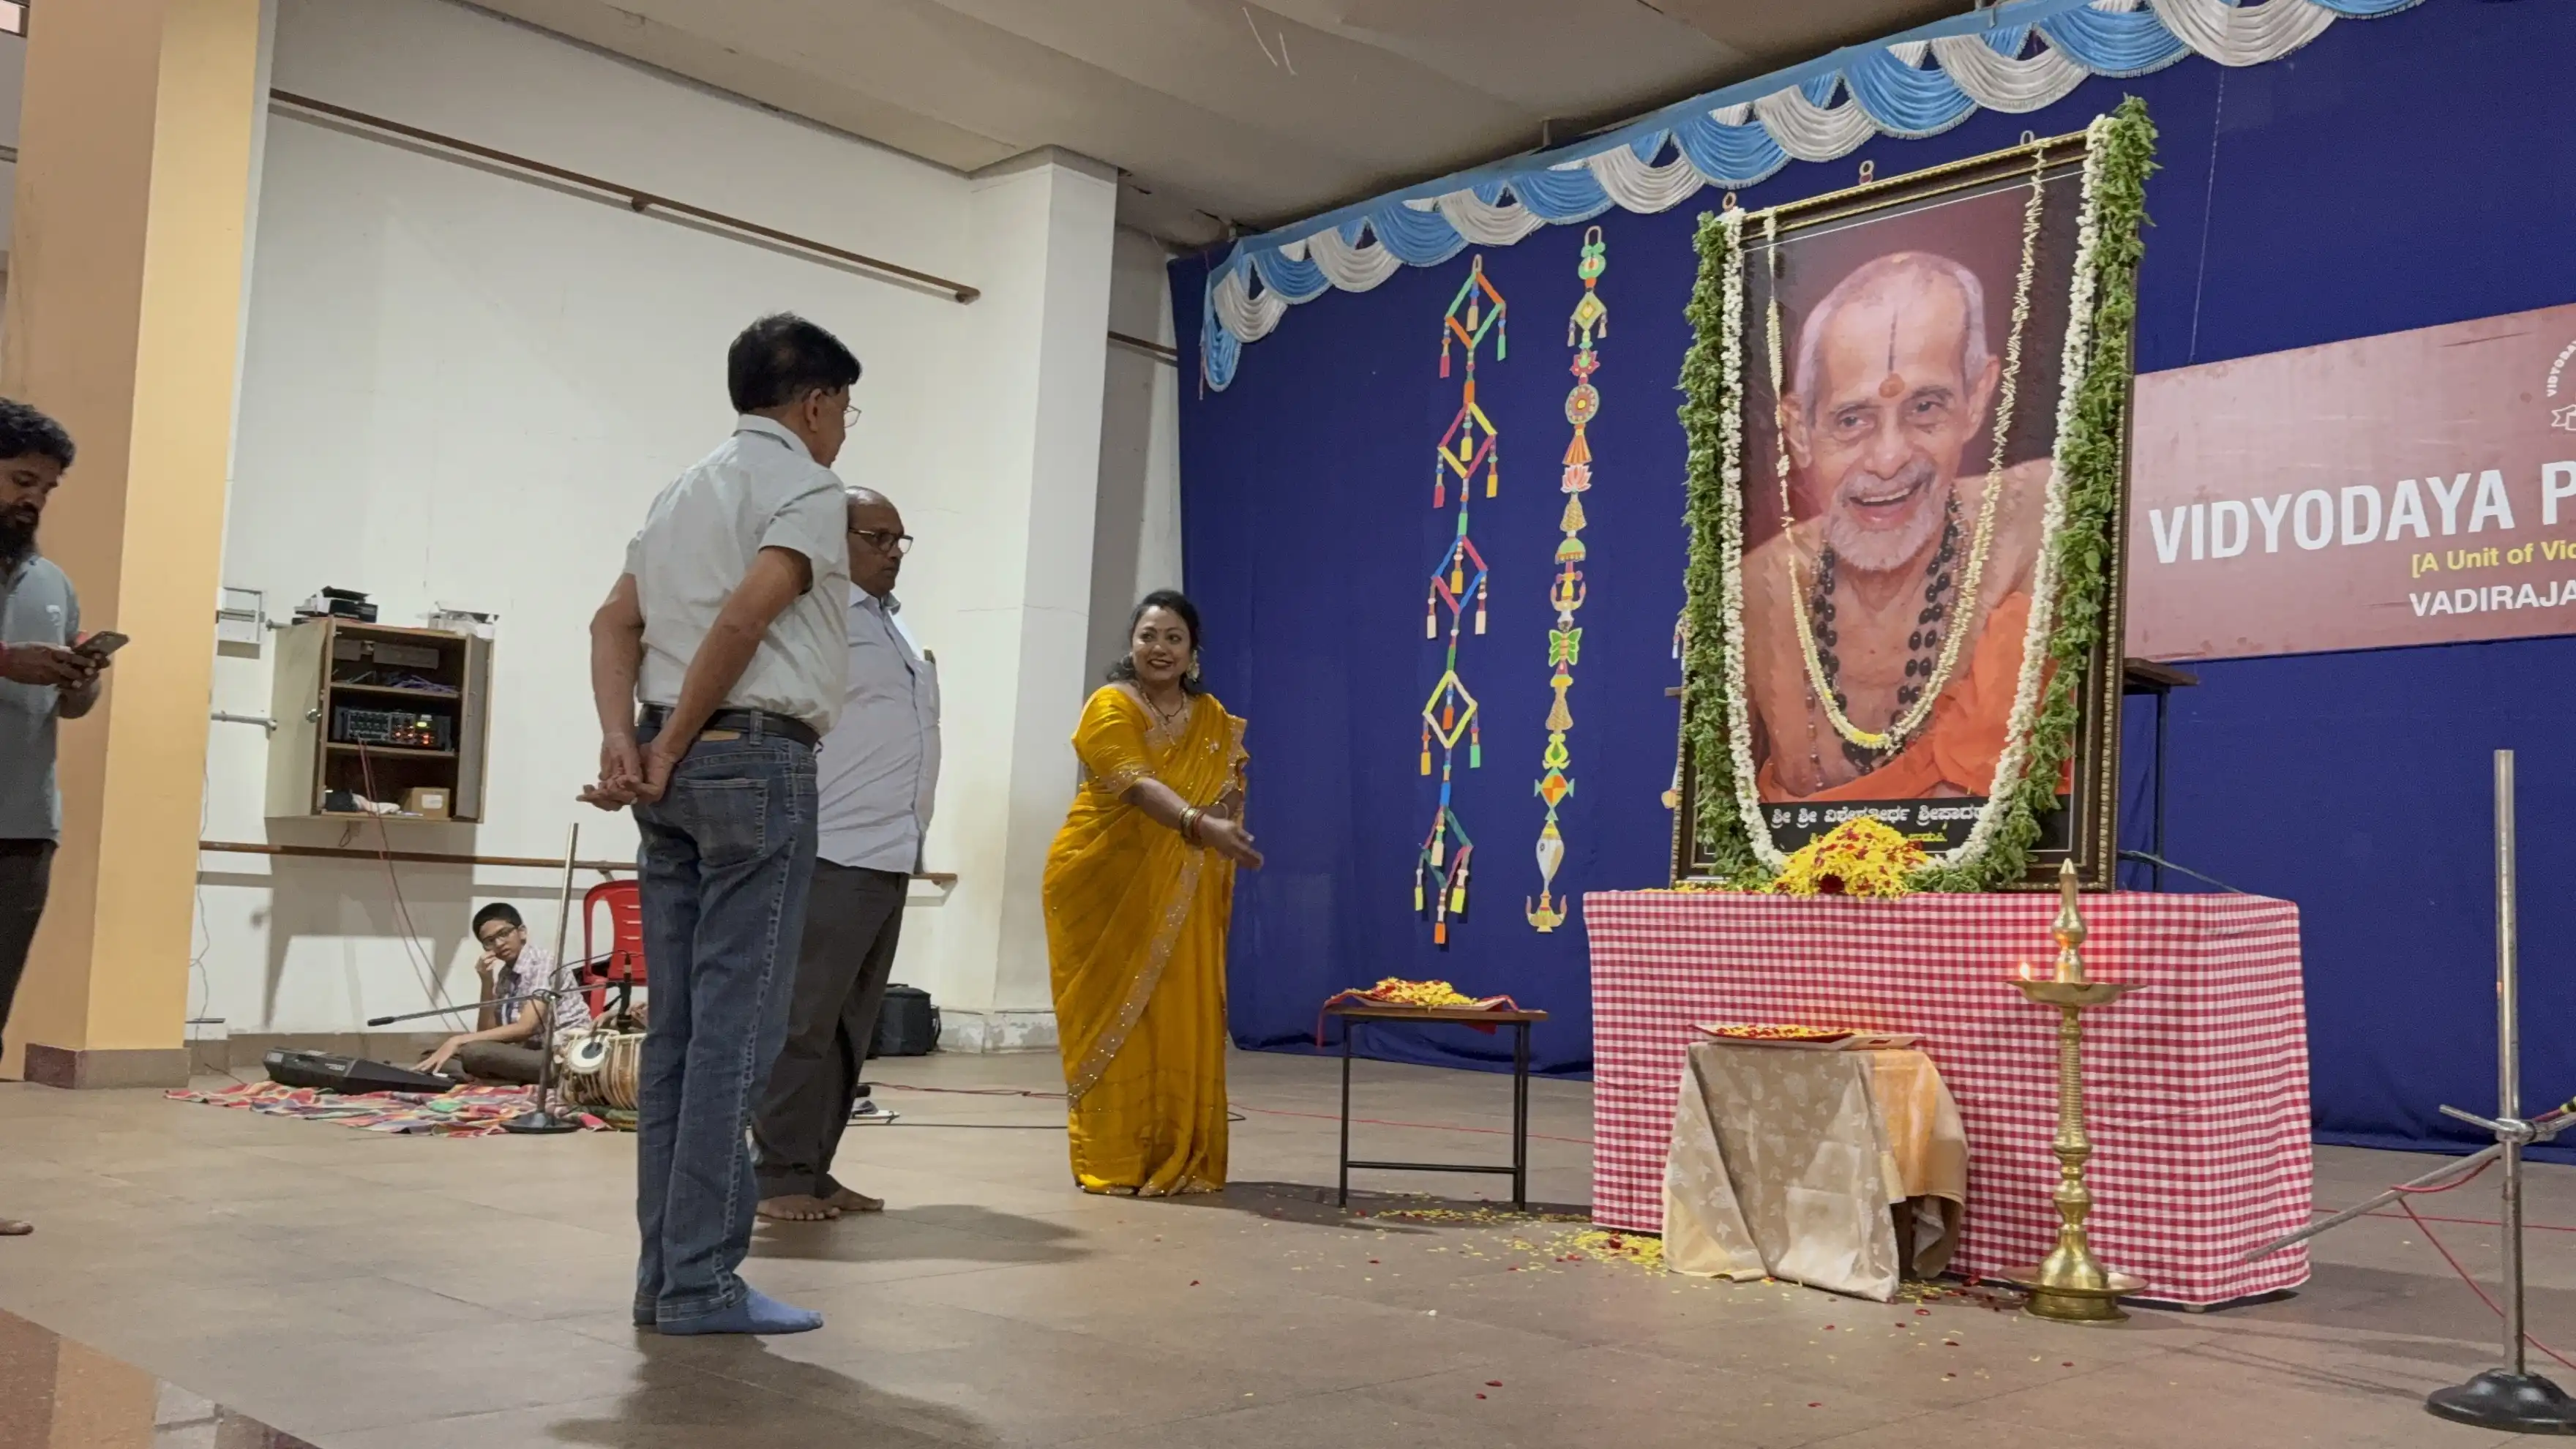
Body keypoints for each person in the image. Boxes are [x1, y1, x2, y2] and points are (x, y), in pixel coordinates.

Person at [581, 313, 857, 1336]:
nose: (842, 431)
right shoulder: (810, 488)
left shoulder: (681, 490)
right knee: (733, 1040)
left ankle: (666, 1279)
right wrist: (675, 741)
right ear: (817, 402)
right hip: (752, 762)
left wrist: (628, 739)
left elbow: (614, 621)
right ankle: (700, 1283)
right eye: (843, 411)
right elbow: (748, 617)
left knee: (683, 1039)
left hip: (674, 772)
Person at [1742, 250, 2051, 803]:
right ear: (1799, 429)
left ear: (1977, 398)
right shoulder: (1757, 589)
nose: (1887, 459)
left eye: (1926, 406)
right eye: (1852, 419)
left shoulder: (2034, 522)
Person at [754, 487, 937, 1224]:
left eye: (901, 539)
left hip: (888, 852)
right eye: (877, 537)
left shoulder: (888, 626)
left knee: (848, 1027)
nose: (893, 551)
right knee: (803, 1022)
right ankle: (775, 1177)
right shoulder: (815, 620)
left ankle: (813, 1167)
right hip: (830, 846)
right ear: (834, 541)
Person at [1044, 591, 1262, 1197]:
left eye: (1173, 638)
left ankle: (1179, 1154)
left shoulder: (1212, 717)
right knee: (1114, 1020)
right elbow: (1134, 784)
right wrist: (1200, 823)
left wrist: (1225, 817)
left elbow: (1228, 788)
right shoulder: (1111, 706)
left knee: (1177, 1011)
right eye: (1148, 635)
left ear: (1193, 651)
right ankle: (1112, 1159)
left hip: (1182, 882)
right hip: (1102, 880)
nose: (1159, 648)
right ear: (1131, 644)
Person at [0, 400, 102, 1240]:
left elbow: (72, 711)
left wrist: (79, 681)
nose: (34, 499)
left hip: (22, 825)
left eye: (47, 488)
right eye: (22, 480)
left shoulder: (52, 582)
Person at [416, 903, 594, 1083]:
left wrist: (458, 1040)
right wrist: (487, 982)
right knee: (431, 1056)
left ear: (522, 932)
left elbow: (525, 1028)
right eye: (490, 941)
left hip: (562, 1056)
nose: (499, 944)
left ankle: (484, 1078)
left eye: (503, 934)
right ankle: (490, 1078)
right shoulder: (506, 974)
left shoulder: (543, 962)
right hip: (529, 1052)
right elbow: (488, 1033)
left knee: (475, 1053)